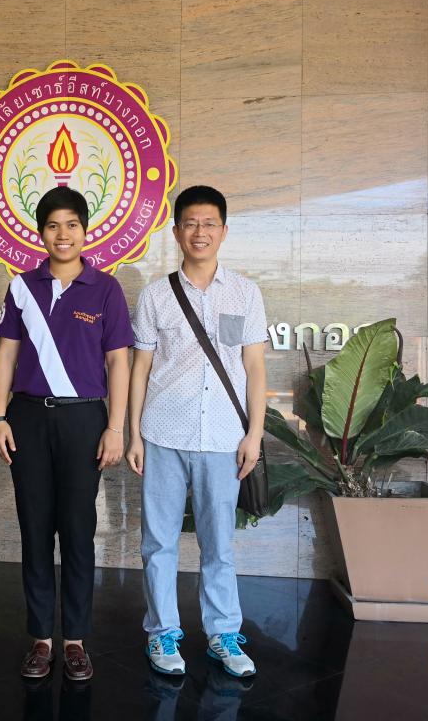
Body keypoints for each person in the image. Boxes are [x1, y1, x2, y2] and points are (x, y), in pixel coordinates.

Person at [0, 186, 132, 682]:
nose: (63, 234)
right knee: (34, 528)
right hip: (27, 419)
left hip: (84, 420)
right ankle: (40, 638)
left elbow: (118, 362)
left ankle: (74, 640)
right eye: (53, 225)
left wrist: (115, 427)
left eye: (71, 224)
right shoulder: (22, 287)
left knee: (77, 530)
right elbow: (6, 353)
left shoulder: (106, 289)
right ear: (41, 232)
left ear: (85, 231)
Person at [126, 185, 268, 679]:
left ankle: (223, 634)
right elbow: (140, 368)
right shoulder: (155, 295)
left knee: (219, 544)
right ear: (176, 231)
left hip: (224, 438)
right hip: (163, 433)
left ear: (223, 231)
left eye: (209, 223)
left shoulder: (245, 293)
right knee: (158, 542)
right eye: (190, 223)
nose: (199, 232)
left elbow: (254, 367)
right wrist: (134, 433)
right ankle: (162, 631)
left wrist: (255, 433)